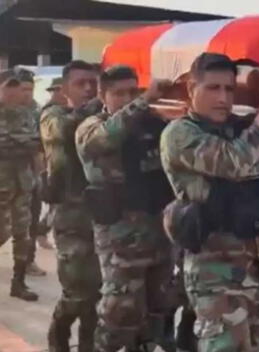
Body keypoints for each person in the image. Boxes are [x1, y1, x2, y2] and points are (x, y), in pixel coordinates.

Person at [160, 53, 259, 351]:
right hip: (217, 271)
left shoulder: (244, 129)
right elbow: (231, 162)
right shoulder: (180, 134)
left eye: (230, 89)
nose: (223, 98)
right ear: (190, 90)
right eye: (213, 88)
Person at [75, 65, 177, 351]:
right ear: (102, 95)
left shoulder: (156, 125)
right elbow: (107, 137)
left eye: (134, 92)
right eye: (119, 93)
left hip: (159, 232)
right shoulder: (90, 127)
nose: (128, 98)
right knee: (119, 313)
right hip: (120, 236)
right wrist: (143, 101)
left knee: (158, 310)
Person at [40, 60, 102, 352]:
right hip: (69, 214)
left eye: (94, 82)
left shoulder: (103, 120)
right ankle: (59, 335)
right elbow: (64, 130)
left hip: (101, 215)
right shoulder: (53, 115)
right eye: (81, 83)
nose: (89, 89)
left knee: (99, 294)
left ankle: (87, 346)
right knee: (78, 290)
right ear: (64, 89)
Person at [0, 69, 41, 301]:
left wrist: (16, 142)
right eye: (9, 86)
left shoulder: (28, 113)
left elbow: (36, 142)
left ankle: (19, 282)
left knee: (22, 234)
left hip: (23, 183)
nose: (15, 92)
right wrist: (20, 142)